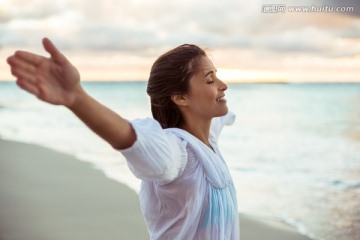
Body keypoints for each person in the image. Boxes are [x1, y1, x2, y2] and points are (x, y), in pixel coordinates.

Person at [7, 38, 239, 240]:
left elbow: (224, 117)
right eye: (210, 79)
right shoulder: (177, 155)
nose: (223, 85)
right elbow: (131, 138)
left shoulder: (209, 138)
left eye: (217, 75)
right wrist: (76, 97)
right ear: (180, 97)